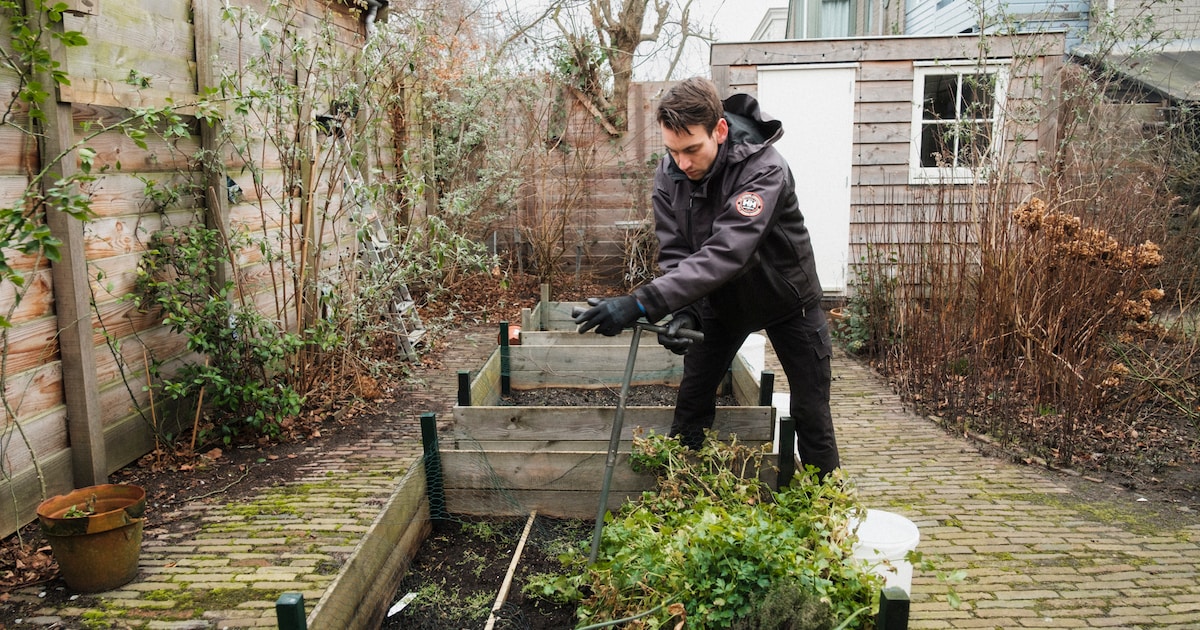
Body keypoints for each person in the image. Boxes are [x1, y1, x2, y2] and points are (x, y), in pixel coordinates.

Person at [574, 76, 840, 479]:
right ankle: (681, 495)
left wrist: (641, 303)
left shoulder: (765, 170)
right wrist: (687, 314)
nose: (681, 163)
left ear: (719, 130)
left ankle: (828, 510)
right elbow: (680, 254)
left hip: (788, 301)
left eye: (692, 149)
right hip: (721, 303)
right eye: (672, 151)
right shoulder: (670, 174)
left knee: (811, 410)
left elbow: (726, 252)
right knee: (692, 404)